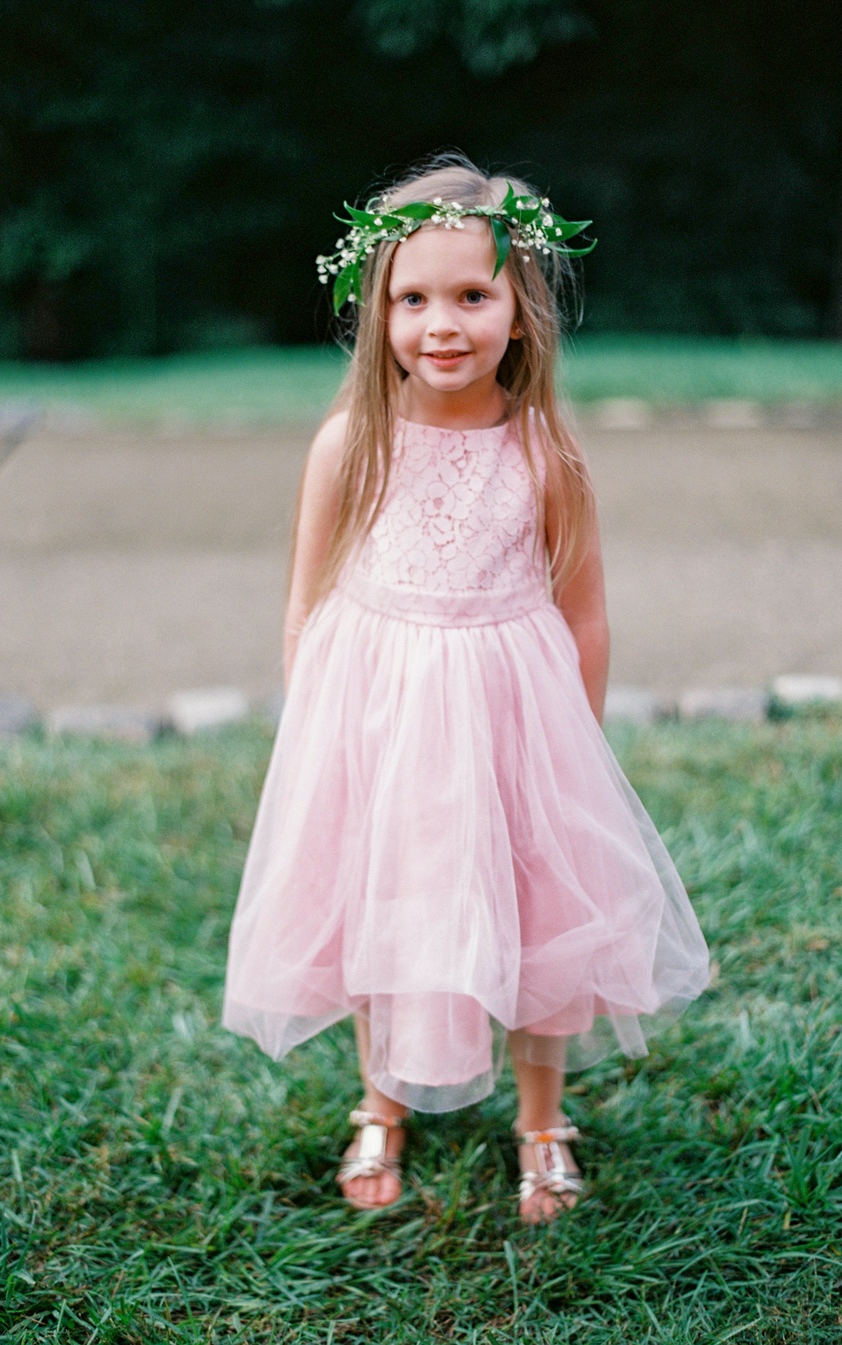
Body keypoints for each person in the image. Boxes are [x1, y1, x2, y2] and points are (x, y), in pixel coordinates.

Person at [223, 154, 710, 1223]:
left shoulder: (544, 451)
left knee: (539, 922)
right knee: (379, 910)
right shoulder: (351, 442)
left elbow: (581, 610)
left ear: (521, 312)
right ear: (376, 311)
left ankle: (541, 1119)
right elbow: (308, 601)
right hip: (380, 727)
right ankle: (380, 1101)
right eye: (412, 298)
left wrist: (569, 756)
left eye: (471, 295)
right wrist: (318, 733)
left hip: (512, 726)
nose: (440, 323)